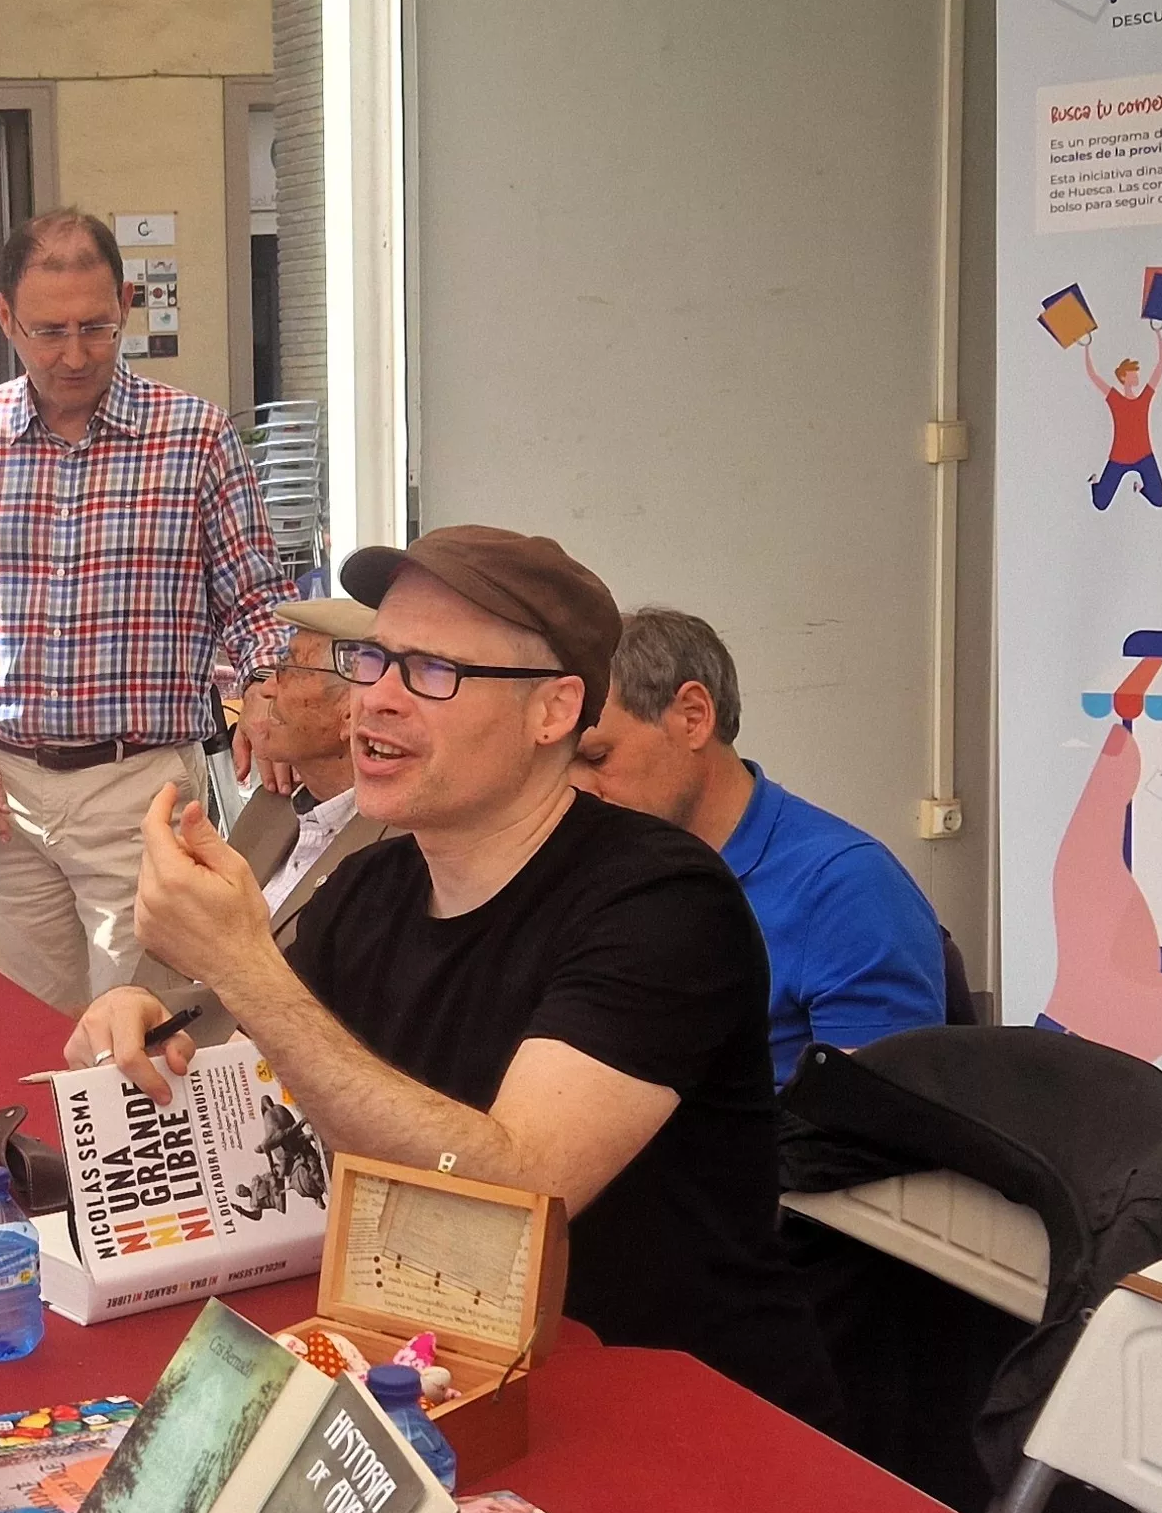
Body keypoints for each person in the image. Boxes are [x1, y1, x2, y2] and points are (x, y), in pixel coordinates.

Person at [67, 527, 839, 1428]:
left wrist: (244, 965)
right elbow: (272, 1102)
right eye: (372, 660)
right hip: (441, 1380)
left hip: (668, 1411)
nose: (374, 704)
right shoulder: (373, 885)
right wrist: (146, 1039)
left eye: (433, 672)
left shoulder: (663, 904)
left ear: (553, 712)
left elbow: (520, 1195)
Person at [0, 209, 293, 1012]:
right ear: (5, 315)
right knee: (13, 1033)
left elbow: (256, 599)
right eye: (48, 331)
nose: (74, 355)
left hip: (139, 787)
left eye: (96, 327)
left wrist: (267, 690)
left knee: (150, 1032)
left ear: (125, 303)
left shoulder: (197, 440)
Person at [573, 606, 948, 1085]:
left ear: (693, 717)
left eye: (597, 757)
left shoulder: (847, 889)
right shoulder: (595, 869)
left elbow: (876, 1131)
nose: (575, 788)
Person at [227, 596, 395, 939]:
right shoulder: (270, 805)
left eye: (288, 668)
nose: (268, 687)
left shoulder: (394, 855)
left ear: (352, 710)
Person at [1084, 325, 1162, 510]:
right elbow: (1093, 375)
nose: (1136, 376)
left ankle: (1141, 488)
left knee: (1160, 500)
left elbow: (1161, 364)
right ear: (1124, 377)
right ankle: (1094, 483)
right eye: (1132, 373)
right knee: (1100, 503)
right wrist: (1087, 347)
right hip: (1119, 456)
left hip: (1144, 454)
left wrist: (1158, 333)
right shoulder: (1115, 399)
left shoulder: (1144, 398)